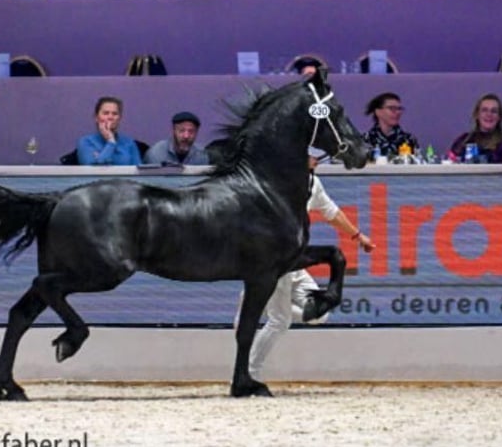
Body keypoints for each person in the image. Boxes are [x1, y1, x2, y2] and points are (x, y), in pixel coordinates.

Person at [234, 153, 376, 379]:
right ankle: (249, 373)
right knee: (280, 321)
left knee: (320, 314)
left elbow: (333, 213)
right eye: (312, 156)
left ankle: (253, 304)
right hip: (276, 262)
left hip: (296, 263)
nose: (318, 160)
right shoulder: (277, 181)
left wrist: (358, 236)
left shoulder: (313, 183)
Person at [448, 93, 502, 163]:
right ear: (477, 115)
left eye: (494, 111)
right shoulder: (462, 142)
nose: (489, 114)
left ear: (499, 117)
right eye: (484, 110)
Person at [76, 96, 142, 165]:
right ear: (96, 118)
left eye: (115, 114)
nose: (110, 117)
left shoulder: (129, 143)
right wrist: (111, 142)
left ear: (119, 118)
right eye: (106, 113)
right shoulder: (86, 142)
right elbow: (93, 171)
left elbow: (138, 172)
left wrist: (99, 157)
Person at [362, 92, 419, 157]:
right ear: (378, 112)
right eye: (392, 108)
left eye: (399, 109)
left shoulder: (408, 140)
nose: (397, 112)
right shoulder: (365, 140)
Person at [143, 111, 209, 165]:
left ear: (196, 133)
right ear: (173, 131)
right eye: (182, 131)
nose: (186, 136)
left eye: (191, 131)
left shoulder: (202, 154)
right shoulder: (156, 153)